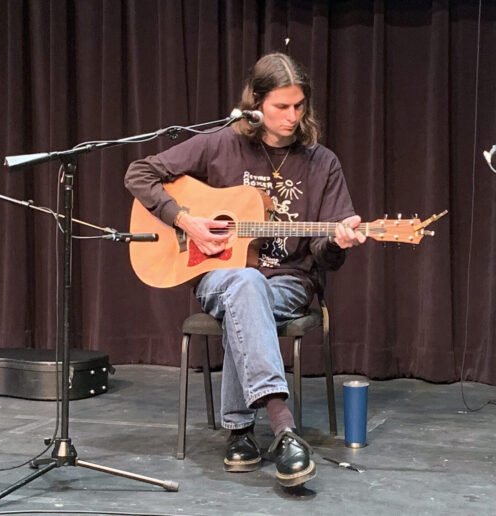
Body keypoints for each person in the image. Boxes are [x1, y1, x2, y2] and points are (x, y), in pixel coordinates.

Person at [124, 52, 365, 487]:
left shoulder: (321, 163)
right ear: (255, 103)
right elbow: (139, 173)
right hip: (217, 276)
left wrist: (338, 241)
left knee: (248, 289)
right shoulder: (221, 144)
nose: (293, 116)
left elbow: (327, 256)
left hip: (289, 283)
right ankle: (284, 427)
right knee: (243, 282)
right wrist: (185, 220)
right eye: (281, 107)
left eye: (299, 106)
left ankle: (240, 431)